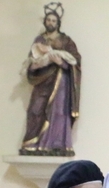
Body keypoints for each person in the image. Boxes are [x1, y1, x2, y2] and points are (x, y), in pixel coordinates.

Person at [20, 2, 80, 155]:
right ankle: (33, 144)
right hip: (42, 82)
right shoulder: (39, 40)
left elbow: (75, 62)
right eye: (48, 20)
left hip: (60, 82)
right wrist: (35, 65)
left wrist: (60, 62)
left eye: (54, 21)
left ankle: (56, 144)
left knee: (58, 112)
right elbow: (31, 61)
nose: (51, 23)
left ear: (58, 23)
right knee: (35, 109)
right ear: (45, 22)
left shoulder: (66, 41)